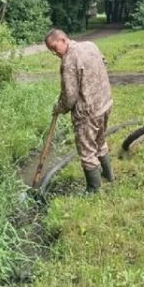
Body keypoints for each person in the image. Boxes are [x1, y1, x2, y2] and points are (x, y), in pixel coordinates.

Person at [45, 28, 114, 193]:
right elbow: (103, 63)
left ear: (63, 40)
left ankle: (94, 190)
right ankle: (109, 175)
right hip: (105, 103)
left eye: (55, 48)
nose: (55, 53)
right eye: (51, 51)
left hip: (88, 113)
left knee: (87, 151)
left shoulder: (69, 60)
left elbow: (69, 98)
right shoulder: (91, 45)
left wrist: (58, 107)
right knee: (99, 141)